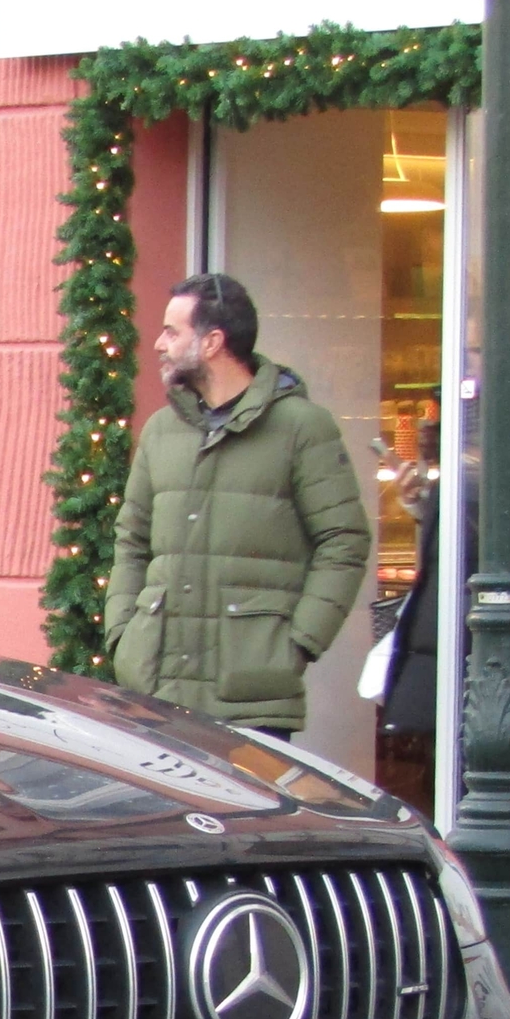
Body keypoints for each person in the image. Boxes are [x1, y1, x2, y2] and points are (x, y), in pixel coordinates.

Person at [100, 274, 371, 736]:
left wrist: (296, 644)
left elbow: (344, 540)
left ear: (212, 342)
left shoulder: (301, 428)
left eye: (172, 332)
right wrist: (123, 635)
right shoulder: (162, 430)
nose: (159, 345)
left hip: (250, 700)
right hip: (157, 693)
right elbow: (132, 542)